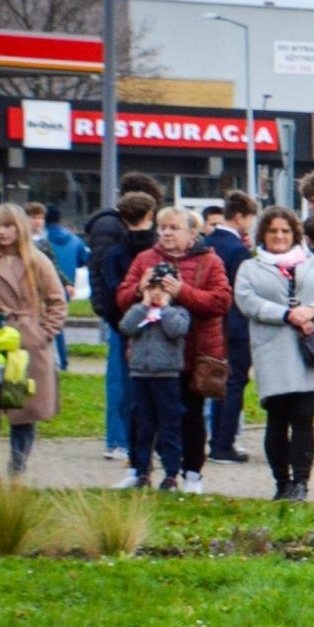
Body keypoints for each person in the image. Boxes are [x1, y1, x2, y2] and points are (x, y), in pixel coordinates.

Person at [116, 207, 231, 495]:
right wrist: (139, 289)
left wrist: (181, 291)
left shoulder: (210, 261)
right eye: (162, 227)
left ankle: (191, 473)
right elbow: (121, 299)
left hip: (194, 354)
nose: (166, 233)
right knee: (141, 416)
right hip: (151, 356)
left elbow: (221, 302)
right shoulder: (145, 259)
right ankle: (138, 470)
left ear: (192, 233)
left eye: (174, 227)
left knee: (190, 415)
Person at [234, 207, 314, 501]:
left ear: (295, 234)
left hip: (311, 350)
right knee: (278, 417)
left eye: (285, 231)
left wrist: (312, 309)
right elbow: (247, 301)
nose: (280, 236)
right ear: (263, 235)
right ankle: (282, 482)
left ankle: (301, 483)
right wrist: (285, 315)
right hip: (275, 350)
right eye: (273, 231)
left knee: (304, 416)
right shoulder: (250, 268)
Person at [0, 203, 67, 475]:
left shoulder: (37, 260)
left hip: (28, 344)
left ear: (20, 228)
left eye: (8, 226)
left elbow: (57, 302)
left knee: (23, 413)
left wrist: (43, 333)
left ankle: (17, 467)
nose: (2, 232)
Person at [88, 171, 166, 460]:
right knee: (122, 380)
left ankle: (126, 439)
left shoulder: (110, 227)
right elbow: (104, 272)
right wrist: (109, 310)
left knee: (128, 379)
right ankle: (119, 440)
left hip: (124, 312)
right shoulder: (112, 230)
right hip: (122, 314)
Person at [102, 192, 159, 486]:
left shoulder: (114, 254)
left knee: (130, 396)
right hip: (163, 333)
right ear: (151, 215)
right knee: (164, 397)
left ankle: (135, 460)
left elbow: (112, 297)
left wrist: (122, 325)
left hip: (127, 330)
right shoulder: (157, 251)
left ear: (123, 219)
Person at [117, 268, 190, 490]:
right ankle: (142, 471)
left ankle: (170, 473)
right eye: (153, 288)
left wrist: (164, 307)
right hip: (140, 374)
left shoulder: (178, 312)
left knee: (169, 426)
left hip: (166, 376)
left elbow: (177, 330)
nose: (157, 293)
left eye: (163, 289)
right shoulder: (138, 311)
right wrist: (143, 305)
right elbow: (126, 327)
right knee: (143, 426)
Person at [205, 190, 258, 464]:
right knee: (234, 383)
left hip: (209, 324)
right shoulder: (238, 250)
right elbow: (242, 291)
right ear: (239, 217)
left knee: (214, 383)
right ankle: (223, 444)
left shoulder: (207, 242)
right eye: (249, 219)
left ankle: (215, 439)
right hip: (235, 326)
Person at [33, 204, 88, 371]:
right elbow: (83, 260)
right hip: (65, 287)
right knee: (58, 325)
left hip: (42, 287)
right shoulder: (74, 240)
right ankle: (62, 361)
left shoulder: (41, 242)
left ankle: (50, 362)